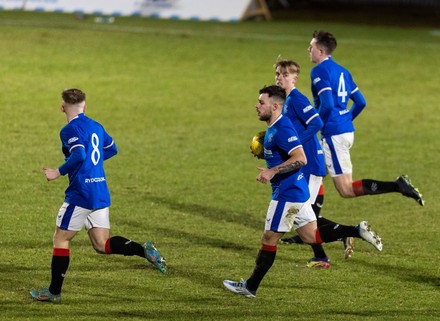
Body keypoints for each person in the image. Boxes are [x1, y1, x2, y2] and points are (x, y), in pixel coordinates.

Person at [223, 85, 382, 298]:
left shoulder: (282, 129)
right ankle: (356, 231)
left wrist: (273, 171)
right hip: (298, 192)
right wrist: (270, 157)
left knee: (269, 239)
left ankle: (250, 287)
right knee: (311, 235)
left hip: (286, 195)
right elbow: (288, 154)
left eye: (261, 102)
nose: (257, 106)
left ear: (276, 106)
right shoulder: (276, 127)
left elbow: (300, 158)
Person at [30, 88, 167, 304]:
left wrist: (58, 172)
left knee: (60, 239)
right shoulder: (96, 126)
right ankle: (143, 250)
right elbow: (112, 149)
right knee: (101, 245)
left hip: (81, 194)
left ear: (62, 107)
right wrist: (92, 166)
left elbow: (80, 154)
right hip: (100, 190)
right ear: (85, 107)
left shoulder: (69, 130)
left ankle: (54, 292)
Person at [308, 30, 424, 206]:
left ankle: (397, 186)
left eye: (311, 47)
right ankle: (312, 228)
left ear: (321, 51)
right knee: (312, 172)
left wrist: (314, 126)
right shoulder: (343, 72)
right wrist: (345, 119)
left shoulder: (318, 71)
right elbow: (361, 102)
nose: (308, 49)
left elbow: (328, 105)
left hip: (334, 136)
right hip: (345, 132)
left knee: (345, 189)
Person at [274, 59, 352, 266]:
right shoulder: (287, 101)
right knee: (304, 214)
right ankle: (320, 256)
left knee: (302, 213)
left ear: (295, 78)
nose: (280, 78)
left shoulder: (297, 99)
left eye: (285, 75)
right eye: (278, 74)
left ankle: (348, 232)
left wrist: (297, 141)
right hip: (305, 163)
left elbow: (316, 122)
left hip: (310, 163)